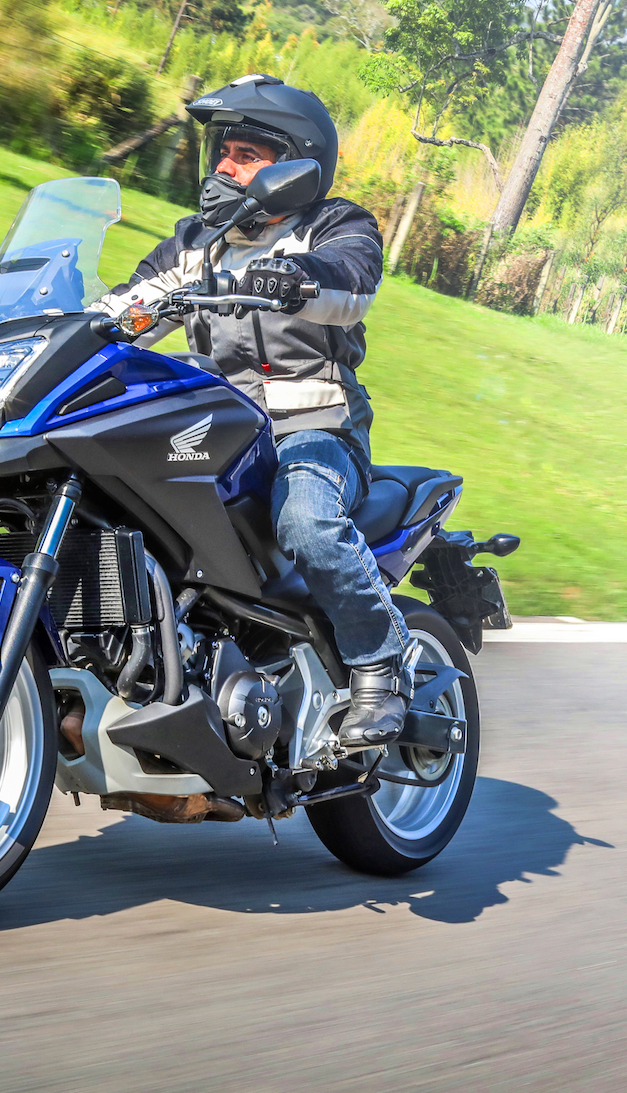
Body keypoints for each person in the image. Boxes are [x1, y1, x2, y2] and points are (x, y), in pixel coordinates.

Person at [90, 74, 412, 748]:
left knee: (307, 520)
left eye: (245, 156)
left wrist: (289, 282)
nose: (224, 169)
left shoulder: (336, 226)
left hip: (312, 426)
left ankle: (381, 667)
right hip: (218, 426)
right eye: (222, 153)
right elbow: (124, 310)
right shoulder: (194, 244)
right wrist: (58, 328)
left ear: (293, 165)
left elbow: (348, 284)